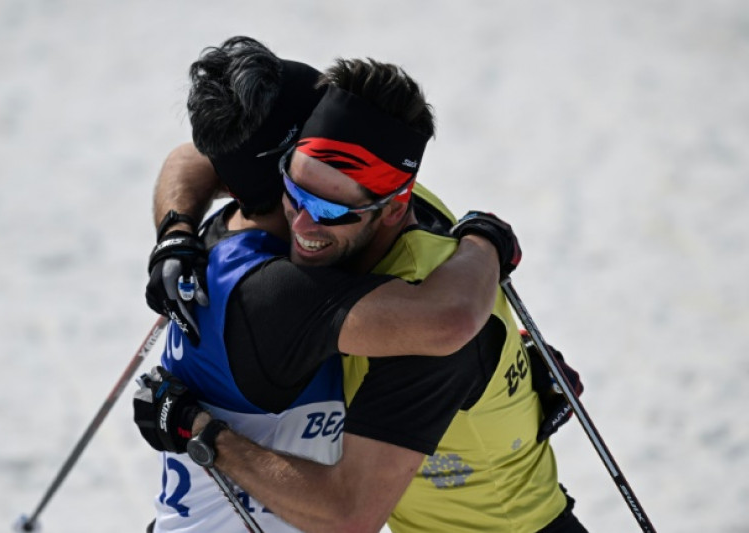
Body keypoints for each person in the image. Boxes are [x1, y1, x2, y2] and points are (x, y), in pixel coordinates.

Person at [137, 49, 587, 533]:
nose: (308, 219)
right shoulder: (355, 233)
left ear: (396, 204)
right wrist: (487, 240)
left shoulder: (391, 293)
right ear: (284, 161)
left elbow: (456, 323)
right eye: (296, 188)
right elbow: (200, 154)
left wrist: (497, 361)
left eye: (330, 209)